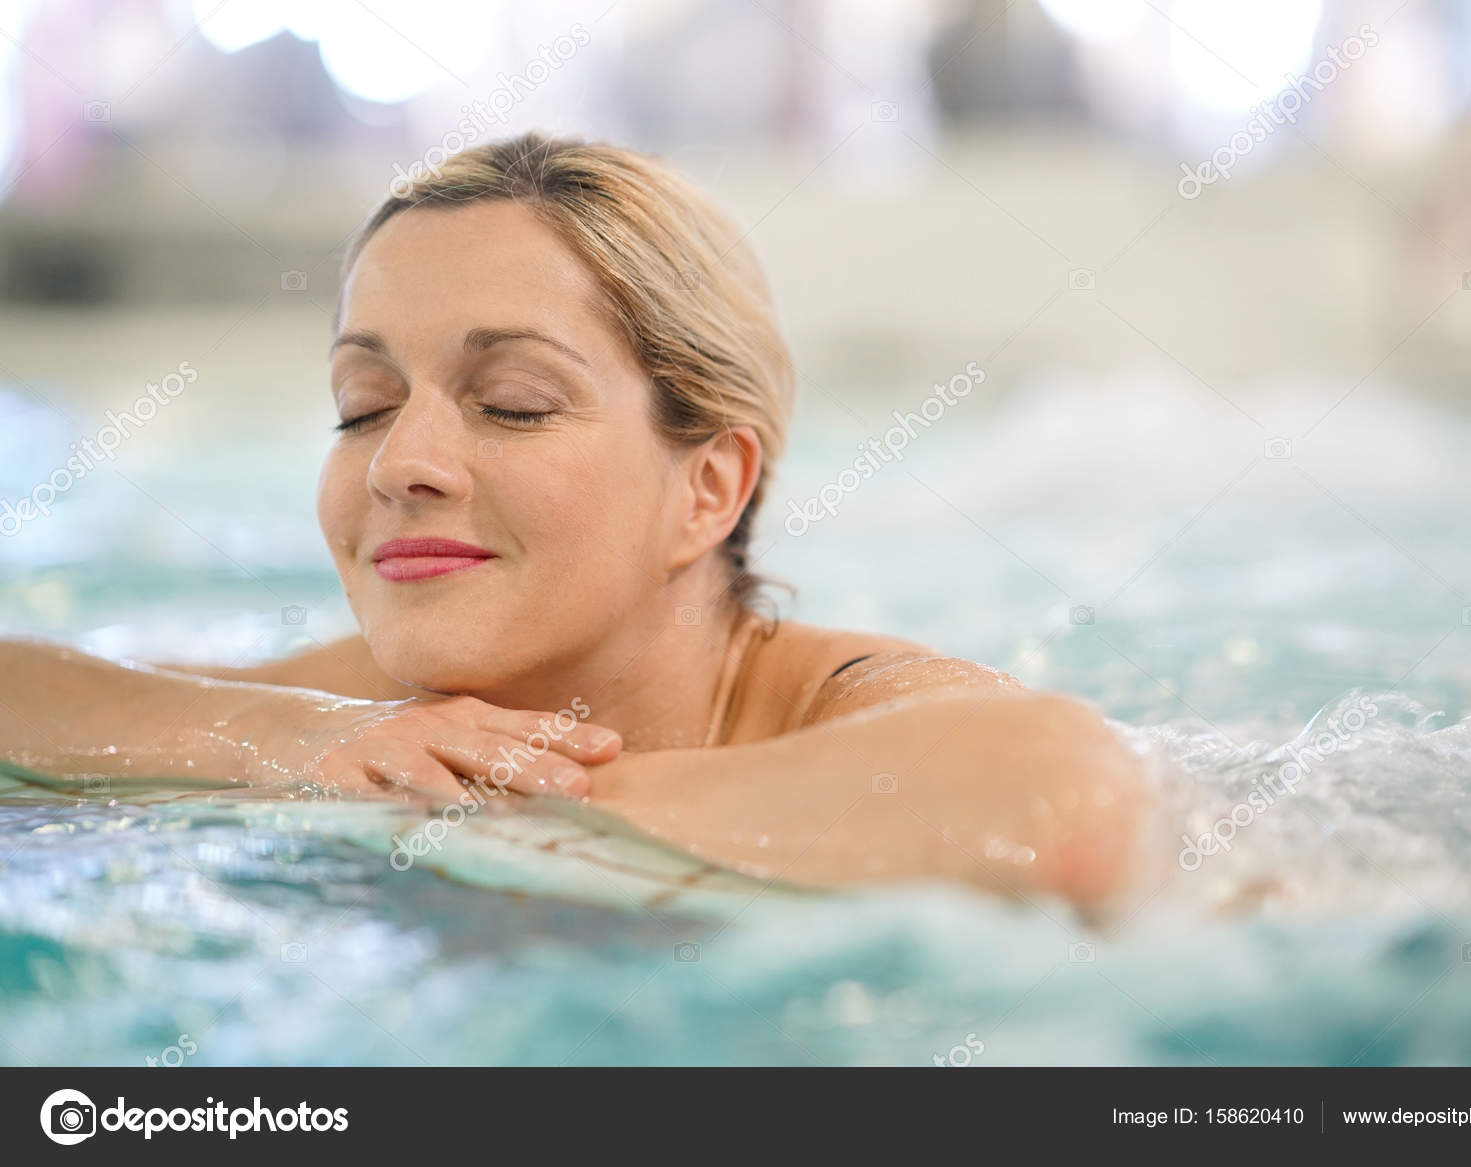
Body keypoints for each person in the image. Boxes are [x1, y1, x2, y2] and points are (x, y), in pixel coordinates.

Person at [0, 132, 1150, 912]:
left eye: (511, 403)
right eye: (364, 407)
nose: (403, 462)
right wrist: (286, 741)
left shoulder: (839, 706)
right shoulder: (363, 718)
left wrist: (466, 804)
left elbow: (1059, 799)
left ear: (710, 488)